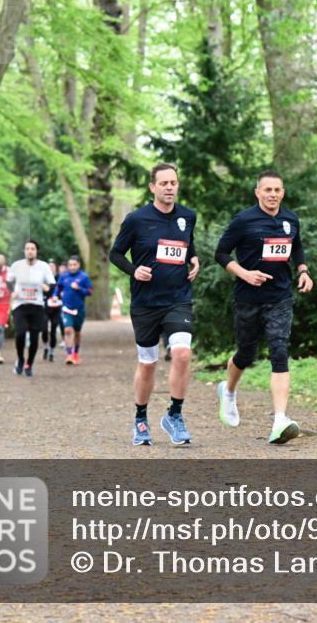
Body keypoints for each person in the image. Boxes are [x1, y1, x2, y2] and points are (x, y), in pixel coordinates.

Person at [214, 170, 313, 445]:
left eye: (277, 190)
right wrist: (244, 273)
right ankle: (229, 391)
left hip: (280, 296)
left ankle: (280, 419)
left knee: (279, 349)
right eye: (267, 190)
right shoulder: (243, 220)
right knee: (246, 352)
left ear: (283, 193)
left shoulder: (290, 219)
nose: (272, 195)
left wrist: (303, 271)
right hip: (248, 297)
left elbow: (297, 247)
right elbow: (220, 254)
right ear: (257, 192)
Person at [110, 163, 200, 447]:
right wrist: (134, 270)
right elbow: (115, 254)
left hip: (178, 299)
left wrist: (194, 259)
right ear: (152, 188)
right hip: (146, 303)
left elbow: (187, 245)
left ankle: (174, 414)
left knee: (183, 354)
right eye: (164, 183)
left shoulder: (188, 216)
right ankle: (140, 417)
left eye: (173, 182)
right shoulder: (137, 219)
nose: (170, 187)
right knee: (148, 363)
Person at [7, 240, 56, 378]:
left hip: (37, 305)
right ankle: (21, 359)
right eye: (27, 248)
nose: (30, 251)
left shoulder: (43, 266)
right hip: (20, 305)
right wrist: (12, 292)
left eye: (32, 249)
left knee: (35, 337)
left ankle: (29, 363)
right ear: (24, 251)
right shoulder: (17, 265)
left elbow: (51, 285)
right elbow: (9, 281)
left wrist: (47, 289)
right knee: (20, 333)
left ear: (36, 251)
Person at [56, 255, 93, 365]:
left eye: (74, 265)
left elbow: (90, 291)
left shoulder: (84, 277)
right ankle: (69, 354)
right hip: (67, 308)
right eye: (70, 265)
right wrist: (55, 295)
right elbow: (58, 288)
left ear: (78, 265)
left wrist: (79, 288)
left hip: (79, 309)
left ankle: (76, 353)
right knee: (67, 330)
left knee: (77, 332)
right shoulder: (63, 277)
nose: (72, 267)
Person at [42, 261, 64, 362]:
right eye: (49, 266)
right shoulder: (42, 278)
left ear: (56, 268)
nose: (51, 268)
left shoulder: (60, 278)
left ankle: (51, 350)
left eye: (52, 266)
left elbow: (63, 289)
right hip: (45, 307)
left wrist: (61, 295)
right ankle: (46, 345)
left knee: (54, 329)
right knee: (44, 329)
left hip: (56, 307)